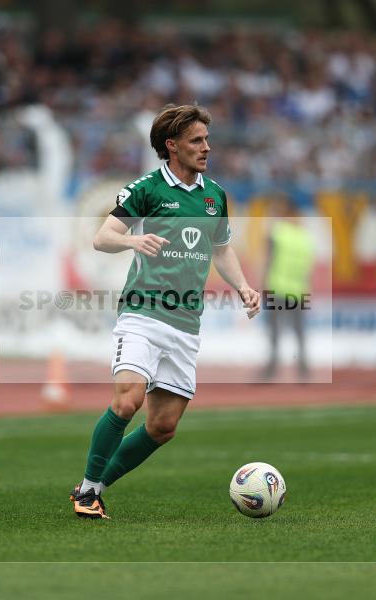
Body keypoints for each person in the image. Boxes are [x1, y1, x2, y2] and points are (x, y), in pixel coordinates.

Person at [70, 104, 261, 519]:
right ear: (171, 146)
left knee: (163, 427)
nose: (206, 147)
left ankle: (95, 487)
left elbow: (221, 248)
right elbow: (104, 236)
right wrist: (132, 242)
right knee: (127, 402)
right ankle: (87, 492)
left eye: (207, 139)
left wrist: (243, 286)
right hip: (142, 313)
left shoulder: (214, 197)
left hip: (186, 323)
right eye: (197, 140)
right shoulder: (147, 189)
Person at [262, 198, 315, 380]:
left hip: (277, 288)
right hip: (298, 291)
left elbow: (268, 259)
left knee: (274, 332)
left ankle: (271, 371)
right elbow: (308, 267)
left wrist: (262, 284)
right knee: (299, 332)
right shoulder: (304, 237)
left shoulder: (277, 232)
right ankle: (304, 371)